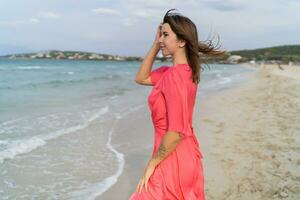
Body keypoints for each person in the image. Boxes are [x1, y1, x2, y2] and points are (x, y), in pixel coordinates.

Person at [130, 9, 224, 200]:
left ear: (181, 41)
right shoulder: (180, 72)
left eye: (166, 35)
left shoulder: (174, 77)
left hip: (173, 159)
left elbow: (176, 131)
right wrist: (156, 44)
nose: (161, 39)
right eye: (161, 35)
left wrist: (152, 164)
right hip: (184, 154)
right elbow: (141, 78)